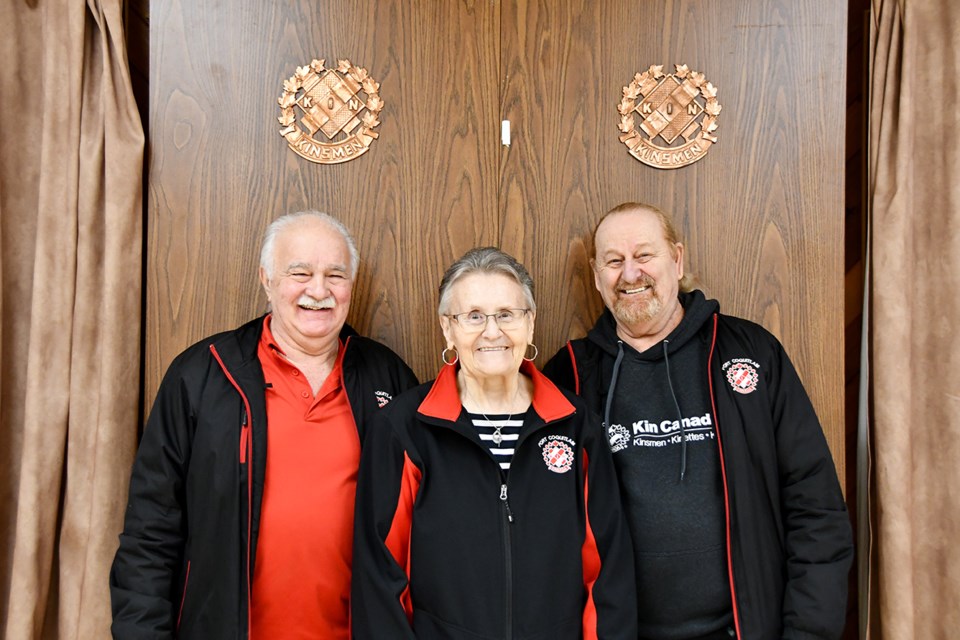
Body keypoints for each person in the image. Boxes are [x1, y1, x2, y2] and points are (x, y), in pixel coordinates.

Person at [543, 203, 854, 640]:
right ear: (597, 276)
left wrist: (807, 633)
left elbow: (815, 509)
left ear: (677, 259)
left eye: (644, 255)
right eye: (614, 261)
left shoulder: (750, 353)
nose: (630, 274)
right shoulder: (569, 375)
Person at [110, 211, 418, 639]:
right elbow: (151, 529)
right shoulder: (202, 375)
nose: (318, 290)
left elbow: (425, 530)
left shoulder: (389, 378)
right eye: (300, 272)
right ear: (266, 279)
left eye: (336, 275)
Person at [351, 247, 637, 640]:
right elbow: (379, 582)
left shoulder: (576, 424)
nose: (492, 331)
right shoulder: (402, 429)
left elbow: (607, 574)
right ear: (448, 329)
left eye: (506, 314)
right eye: (473, 317)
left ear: (530, 323)